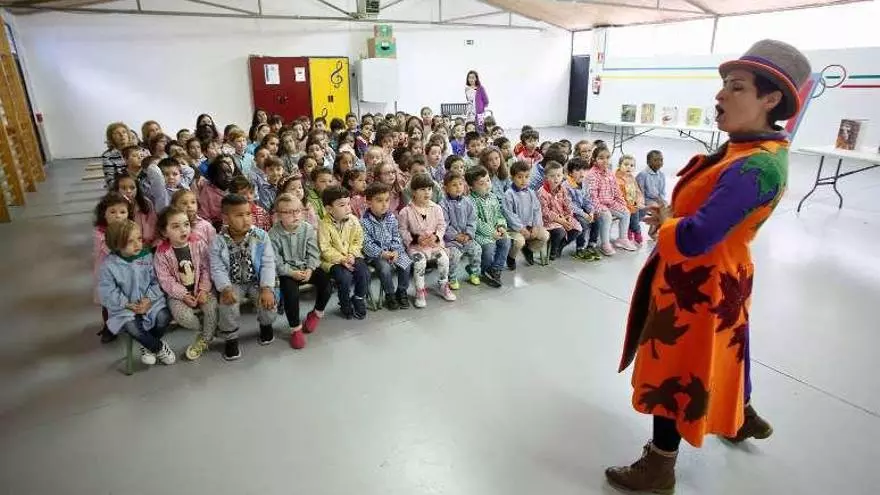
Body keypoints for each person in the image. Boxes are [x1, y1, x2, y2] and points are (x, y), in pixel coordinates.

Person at [605, 39, 811, 494]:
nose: (720, 96)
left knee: (673, 370)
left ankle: (659, 466)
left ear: (771, 99)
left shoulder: (757, 167)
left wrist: (667, 223)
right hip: (717, 278)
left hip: (697, 289)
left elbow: (696, 236)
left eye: (736, 87)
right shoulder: (748, 150)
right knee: (725, 353)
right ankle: (737, 414)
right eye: (723, 86)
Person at [98, 219, 176, 366]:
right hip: (124, 308)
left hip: (150, 302)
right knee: (132, 327)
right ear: (116, 244)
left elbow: (157, 281)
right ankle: (157, 347)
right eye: (130, 241)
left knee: (164, 317)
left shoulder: (147, 256)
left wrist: (148, 299)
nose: (137, 244)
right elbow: (107, 292)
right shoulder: (108, 265)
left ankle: (147, 344)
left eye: (139, 239)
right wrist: (127, 304)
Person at [210, 194, 278, 361]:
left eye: (248, 214)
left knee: (267, 302)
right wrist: (225, 288)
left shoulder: (261, 236)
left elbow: (268, 263)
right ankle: (231, 339)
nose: (246, 219)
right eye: (239, 215)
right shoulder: (217, 241)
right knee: (228, 305)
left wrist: (266, 288)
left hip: (257, 281)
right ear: (226, 218)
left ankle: (266, 326)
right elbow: (217, 268)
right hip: (232, 283)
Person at [153, 207, 218, 361]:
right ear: (164, 232)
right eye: (176, 226)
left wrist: (203, 290)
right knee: (184, 317)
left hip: (202, 290)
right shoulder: (161, 253)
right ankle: (209, 329)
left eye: (186, 224)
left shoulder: (198, 243)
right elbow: (166, 280)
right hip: (177, 295)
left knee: (211, 308)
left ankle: (205, 339)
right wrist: (183, 295)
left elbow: (206, 268)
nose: (183, 230)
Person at [270, 193, 331, 350]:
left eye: (298, 210)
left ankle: (316, 313)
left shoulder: (308, 228)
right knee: (291, 294)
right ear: (278, 215)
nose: (295, 215)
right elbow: (275, 261)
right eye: (289, 212)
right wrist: (291, 273)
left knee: (326, 283)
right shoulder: (273, 234)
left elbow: (314, 252)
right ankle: (295, 328)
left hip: (306, 267)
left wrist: (310, 269)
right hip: (288, 272)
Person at [397, 174, 456, 308]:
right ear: (413, 192)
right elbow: (402, 230)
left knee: (444, 259)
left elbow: (441, 226)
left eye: (429, 189)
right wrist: (415, 239)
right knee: (420, 262)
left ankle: (443, 285)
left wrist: (437, 236)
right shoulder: (405, 211)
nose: (427, 192)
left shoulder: (437, 208)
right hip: (416, 247)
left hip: (434, 245)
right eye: (422, 189)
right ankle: (420, 291)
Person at [318, 185, 370, 320]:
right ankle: (344, 301)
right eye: (342, 205)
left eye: (348, 203)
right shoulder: (323, 225)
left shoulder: (353, 219)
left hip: (352, 255)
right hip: (332, 261)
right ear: (329, 208)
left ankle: (358, 298)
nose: (348, 208)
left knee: (364, 272)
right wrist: (341, 259)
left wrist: (352, 254)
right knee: (344, 278)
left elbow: (358, 240)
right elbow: (325, 249)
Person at [360, 182, 413, 311]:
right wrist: (382, 254)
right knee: (385, 269)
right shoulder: (364, 222)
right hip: (376, 255)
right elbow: (366, 244)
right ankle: (390, 294)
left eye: (387, 200)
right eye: (379, 201)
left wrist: (395, 251)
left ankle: (401, 291)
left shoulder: (391, 217)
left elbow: (396, 236)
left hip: (393, 251)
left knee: (406, 264)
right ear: (368, 202)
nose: (384, 204)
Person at [93, 192, 134, 343]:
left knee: (126, 297)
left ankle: (129, 322)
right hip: (107, 274)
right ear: (103, 214)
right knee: (108, 302)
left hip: (125, 272)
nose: (118, 216)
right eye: (112, 212)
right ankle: (109, 328)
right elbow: (111, 249)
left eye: (123, 212)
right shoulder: (100, 233)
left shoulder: (131, 229)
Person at [586, 146, 637, 255]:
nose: (605, 160)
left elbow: (616, 191)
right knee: (607, 216)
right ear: (594, 159)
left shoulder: (609, 173)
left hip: (609, 203)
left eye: (607, 158)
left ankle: (622, 239)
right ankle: (605, 244)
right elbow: (592, 197)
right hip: (596, 204)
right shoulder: (592, 175)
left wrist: (622, 203)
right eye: (601, 158)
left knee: (626, 212)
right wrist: (601, 208)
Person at [466, 166, 509, 288]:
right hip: (479, 234)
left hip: (495, 230)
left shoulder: (493, 197)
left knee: (506, 241)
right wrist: (491, 232)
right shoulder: (471, 201)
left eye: (488, 180)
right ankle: (482, 268)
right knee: (489, 248)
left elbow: (499, 214)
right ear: (471, 187)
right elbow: (476, 222)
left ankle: (496, 269)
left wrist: (501, 226)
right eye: (481, 183)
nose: (487, 184)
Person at [502, 161, 549, 267]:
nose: (524, 180)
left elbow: (537, 210)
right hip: (513, 228)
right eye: (520, 177)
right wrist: (521, 228)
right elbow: (509, 215)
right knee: (519, 241)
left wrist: (536, 226)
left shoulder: (531, 192)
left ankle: (529, 249)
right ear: (512, 178)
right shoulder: (509, 195)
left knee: (545, 235)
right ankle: (511, 257)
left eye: (527, 177)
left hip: (530, 226)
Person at [441, 171, 482, 289]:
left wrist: (468, 234)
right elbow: (444, 224)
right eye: (454, 185)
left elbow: (472, 220)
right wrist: (456, 236)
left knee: (477, 249)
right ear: (446, 188)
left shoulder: (468, 202)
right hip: (451, 241)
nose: (458, 187)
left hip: (466, 238)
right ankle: (452, 277)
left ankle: (474, 271)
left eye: (460, 184)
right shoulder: (443, 204)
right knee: (454, 256)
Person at [538, 161, 581, 260]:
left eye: (559, 175)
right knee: (560, 231)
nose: (556, 178)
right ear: (546, 177)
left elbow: (567, 205)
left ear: (562, 176)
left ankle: (560, 246)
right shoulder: (542, 192)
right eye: (552, 176)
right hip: (548, 221)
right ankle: (553, 250)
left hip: (563, 218)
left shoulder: (563, 189)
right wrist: (560, 220)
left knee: (577, 228)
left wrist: (568, 217)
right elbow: (545, 212)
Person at [564, 158, 601, 261]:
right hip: (570, 212)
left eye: (584, 170)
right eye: (577, 170)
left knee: (597, 218)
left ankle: (591, 245)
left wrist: (591, 212)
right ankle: (580, 248)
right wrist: (584, 214)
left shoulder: (584, 183)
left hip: (581, 210)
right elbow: (570, 205)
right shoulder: (566, 185)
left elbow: (587, 200)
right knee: (583, 222)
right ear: (570, 173)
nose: (582, 173)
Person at [112, 174, 157, 246]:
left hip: (147, 244)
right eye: (123, 188)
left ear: (137, 188)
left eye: (132, 188)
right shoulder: (113, 207)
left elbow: (153, 223)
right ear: (117, 190)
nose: (128, 191)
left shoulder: (146, 203)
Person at [616, 154, 646, 245]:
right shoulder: (616, 178)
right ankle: (631, 231)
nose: (629, 167)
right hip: (622, 204)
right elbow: (617, 194)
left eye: (632, 165)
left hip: (633, 203)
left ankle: (633, 229)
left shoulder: (631, 178)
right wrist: (626, 203)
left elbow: (638, 191)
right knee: (630, 215)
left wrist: (639, 201)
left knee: (638, 215)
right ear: (619, 165)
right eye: (626, 164)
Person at [636, 150, 667, 240]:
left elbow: (662, 192)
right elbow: (639, 191)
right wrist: (642, 203)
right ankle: (653, 232)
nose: (659, 162)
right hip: (645, 199)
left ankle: (659, 230)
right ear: (648, 162)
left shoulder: (661, 175)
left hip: (657, 199)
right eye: (656, 160)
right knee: (657, 209)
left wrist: (662, 201)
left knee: (667, 208)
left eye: (661, 160)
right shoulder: (643, 174)